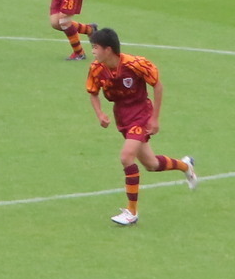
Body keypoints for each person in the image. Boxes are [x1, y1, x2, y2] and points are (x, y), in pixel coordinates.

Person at [84, 27, 197, 226]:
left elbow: (158, 85)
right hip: (122, 117)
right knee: (151, 164)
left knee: (126, 157)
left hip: (140, 114)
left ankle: (132, 212)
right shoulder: (96, 68)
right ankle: (186, 166)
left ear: (108, 50)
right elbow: (93, 92)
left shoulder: (136, 64)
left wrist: (154, 118)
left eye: (95, 47)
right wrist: (100, 113)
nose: (92, 51)